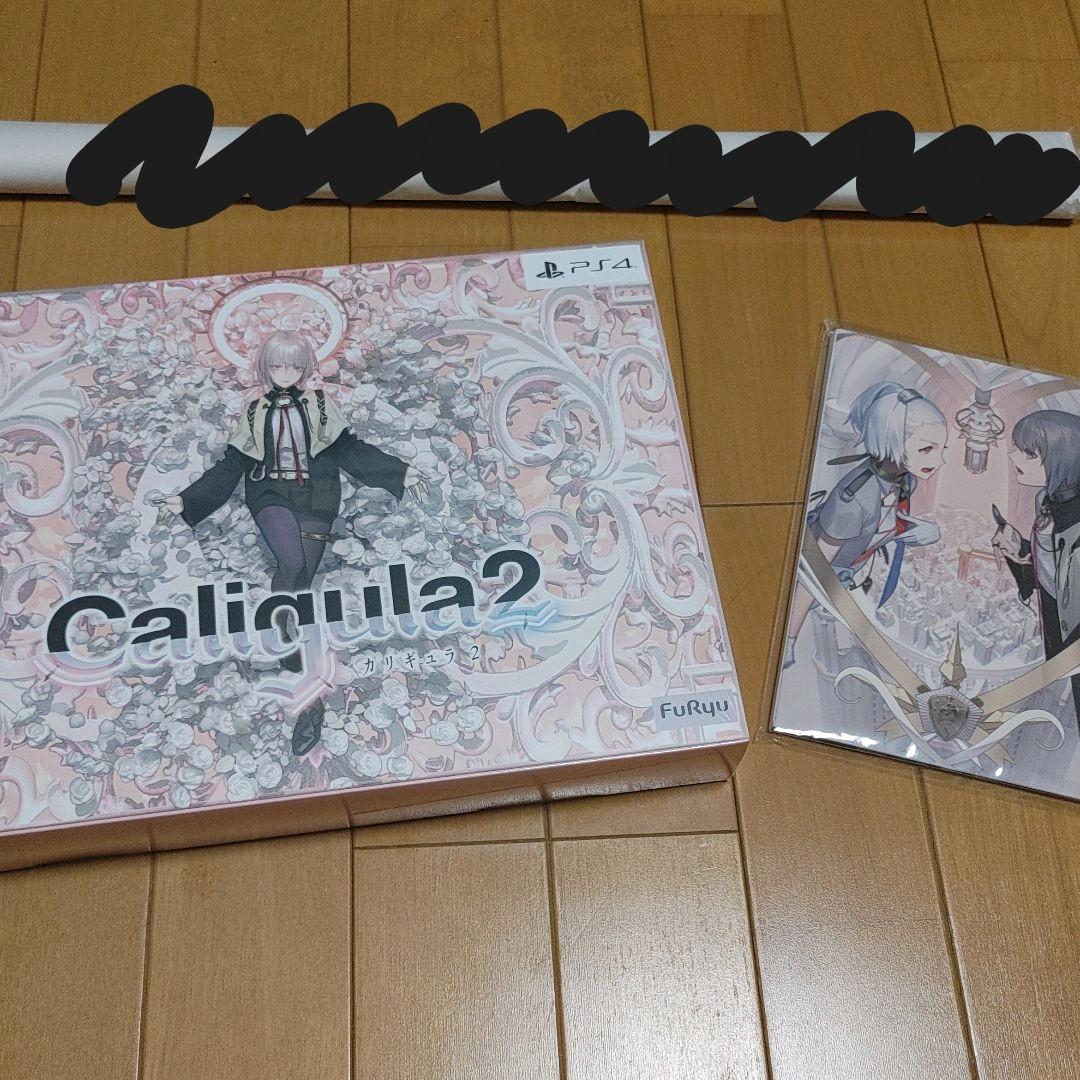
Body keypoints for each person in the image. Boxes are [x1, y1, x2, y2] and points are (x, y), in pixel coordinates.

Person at [157, 329, 422, 754]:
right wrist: (187, 500)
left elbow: (349, 450)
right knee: (292, 564)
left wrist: (398, 472)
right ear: (266, 367)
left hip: (317, 498)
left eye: (294, 365)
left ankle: (306, 690)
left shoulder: (320, 405)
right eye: (277, 364)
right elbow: (232, 466)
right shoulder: (255, 411)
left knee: (302, 591)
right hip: (270, 494)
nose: (285, 372)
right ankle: (289, 655)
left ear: (305, 367)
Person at [783, 381, 947, 667]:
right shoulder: (853, 498)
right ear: (892, 441)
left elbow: (883, 526)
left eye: (941, 448)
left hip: (850, 573)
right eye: (926, 449)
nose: (939, 460)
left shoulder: (905, 480)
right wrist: (789, 639)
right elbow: (814, 571)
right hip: (823, 578)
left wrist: (917, 529)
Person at [992, 409, 1080, 724]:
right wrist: (1019, 549)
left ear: (1062, 459)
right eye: (1017, 448)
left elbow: (1070, 590)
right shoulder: (1045, 499)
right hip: (1058, 641)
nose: (1013, 456)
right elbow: (1051, 576)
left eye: (1029, 453)